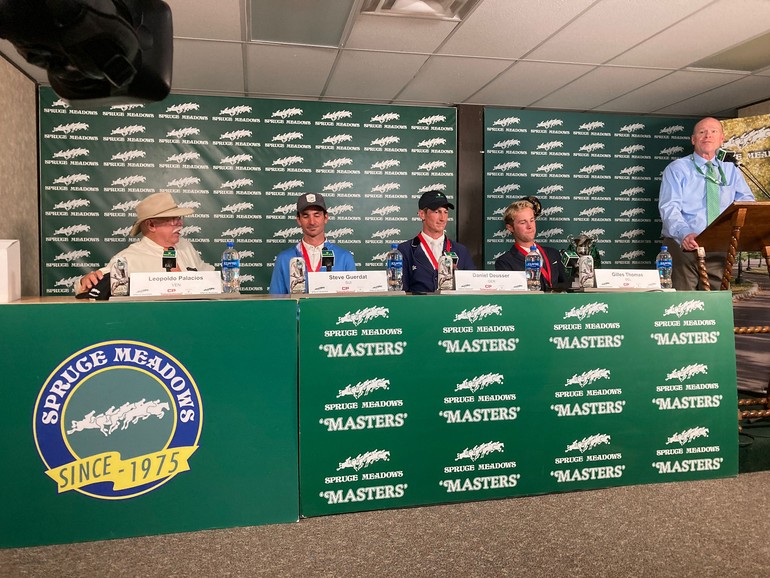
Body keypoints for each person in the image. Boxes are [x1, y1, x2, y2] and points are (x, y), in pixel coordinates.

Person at [659, 117, 754, 290]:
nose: (708, 136)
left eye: (713, 132)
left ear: (721, 139)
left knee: (714, 305)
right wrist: (685, 234)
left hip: (719, 246)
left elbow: (746, 204)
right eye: (702, 132)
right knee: (684, 301)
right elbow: (669, 207)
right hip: (684, 245)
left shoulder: (731, 169)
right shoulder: (677, 169)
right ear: (693, 139)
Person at [75, 191, 213, 295]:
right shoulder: (127, 258)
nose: (180, 224)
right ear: (151, 225)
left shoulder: (185, 246)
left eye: (179, 218)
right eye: (172, 219)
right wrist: (83, 282)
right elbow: (93, 284)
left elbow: (207, 274)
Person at [269, 192, 355, 294]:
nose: (312, 222)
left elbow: (351, 302)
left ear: (326, 218)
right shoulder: (284, 258)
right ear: (298, 220)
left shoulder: (344, 257)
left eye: (317, 215)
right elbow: (276, 302)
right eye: (306, 216)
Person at [397, 190, 475, 293]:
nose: (442, 218)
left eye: (445, 212)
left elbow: (471, 290)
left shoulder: (461, 251)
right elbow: (400, 293)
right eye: (437, 212)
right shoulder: (405, 250)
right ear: (422, 214)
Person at [494, 199, 567, 291]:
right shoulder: (505, 262)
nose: (530, 226)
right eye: (523, 222)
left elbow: (565, 286)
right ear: (510, 228)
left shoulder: (553, 254)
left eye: (532, 220)